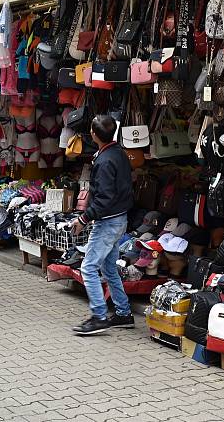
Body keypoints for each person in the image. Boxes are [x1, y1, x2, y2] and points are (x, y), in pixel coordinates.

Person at [71, 115, 135, 335]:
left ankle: (99, 316)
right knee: (108, 268)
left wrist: (83, 218)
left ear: (94, 134)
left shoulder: (106, 159)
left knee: (88, 267)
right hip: (119, 218)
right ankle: (123, 312)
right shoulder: (118, 153)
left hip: (108, 221)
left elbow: (104, 198)